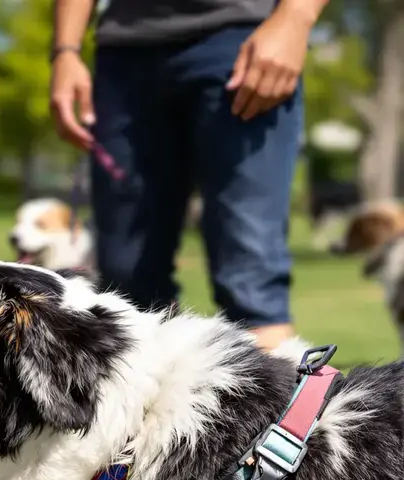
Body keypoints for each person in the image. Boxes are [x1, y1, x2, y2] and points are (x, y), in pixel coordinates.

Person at [50, 0, 328, 351]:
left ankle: (284, 398)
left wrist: (296, 17)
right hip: (124, 55)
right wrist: (65, 50)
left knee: (250, 275)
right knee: (127, 284)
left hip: (244, 39)